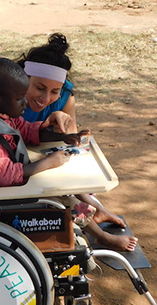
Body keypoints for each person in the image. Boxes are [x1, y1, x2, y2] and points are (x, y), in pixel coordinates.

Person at [0, 58, 138, 252]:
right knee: (65, 198)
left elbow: (24, 129)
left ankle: (98, 212)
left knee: (70, 183)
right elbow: (3, 176)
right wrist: (47, 162)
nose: (25, 103)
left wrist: (62, 137)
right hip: (0, 194)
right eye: (20, 98)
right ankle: (102, 236)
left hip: (10, 178)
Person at [16, 33, 138, 251]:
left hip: (36, 156)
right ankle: (96, 222)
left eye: (55, 91)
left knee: (68, 174)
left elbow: (69, 145)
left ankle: (94, 208)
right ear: (22, 79)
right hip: (20, 163)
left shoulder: (65, 96)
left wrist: (68, 136)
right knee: (64, 193)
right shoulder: (7, 98)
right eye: (39, 88)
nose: (46, 99)